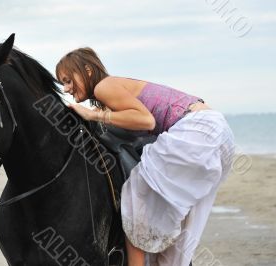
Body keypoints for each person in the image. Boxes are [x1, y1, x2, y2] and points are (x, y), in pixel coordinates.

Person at [55, 47, 235, 266]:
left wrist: (92, 114)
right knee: (170, 219)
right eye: (63, 83)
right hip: (217, 134)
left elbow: (146, 121)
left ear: (87, 71)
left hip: (197, 130)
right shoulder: (116, 87)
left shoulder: (104, 86)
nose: (66, 89)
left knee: (136, 198)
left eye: (68, 80)